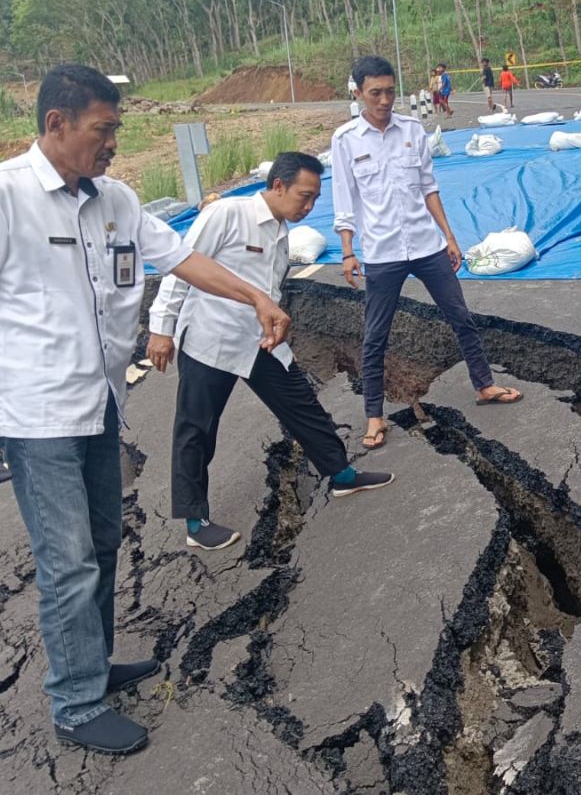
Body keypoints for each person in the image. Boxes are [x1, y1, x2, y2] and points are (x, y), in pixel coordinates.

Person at [0, 64, 290, 755]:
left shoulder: (118, 201)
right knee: (68, 560)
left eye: (116, 130)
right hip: (36, 417)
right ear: (56, 125)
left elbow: (183, 258)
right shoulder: (9, 197)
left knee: (100, 547)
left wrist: (254, 296)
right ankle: (74, 705)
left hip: (101, 403)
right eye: (103, 130)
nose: (113, 145)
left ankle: (91, 665)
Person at [146, 152, 395, 552]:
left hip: (259, 341)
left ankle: (342, 474)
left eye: (315, 198)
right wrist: (162, 329)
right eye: (304, 196)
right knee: (196, 429)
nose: (309, 206)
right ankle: (196, 519)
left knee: (302, 405)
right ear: (278, 186)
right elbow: (181, 265)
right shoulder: (227, 214)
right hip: (211, 339)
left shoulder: (281, 231)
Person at [332, 56, 522, 451]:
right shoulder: (345, 140)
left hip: (426, 246)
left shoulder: (412, 130)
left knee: (461, 317)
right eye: (375, 93)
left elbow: (428, 188)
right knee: (376, 337)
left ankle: (484, 385)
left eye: (389, 91)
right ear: (358, 93)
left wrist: (450, 237)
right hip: (382, 254)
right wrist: (349, 252)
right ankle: (374, 416)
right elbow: (344, 203)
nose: (384, 100)